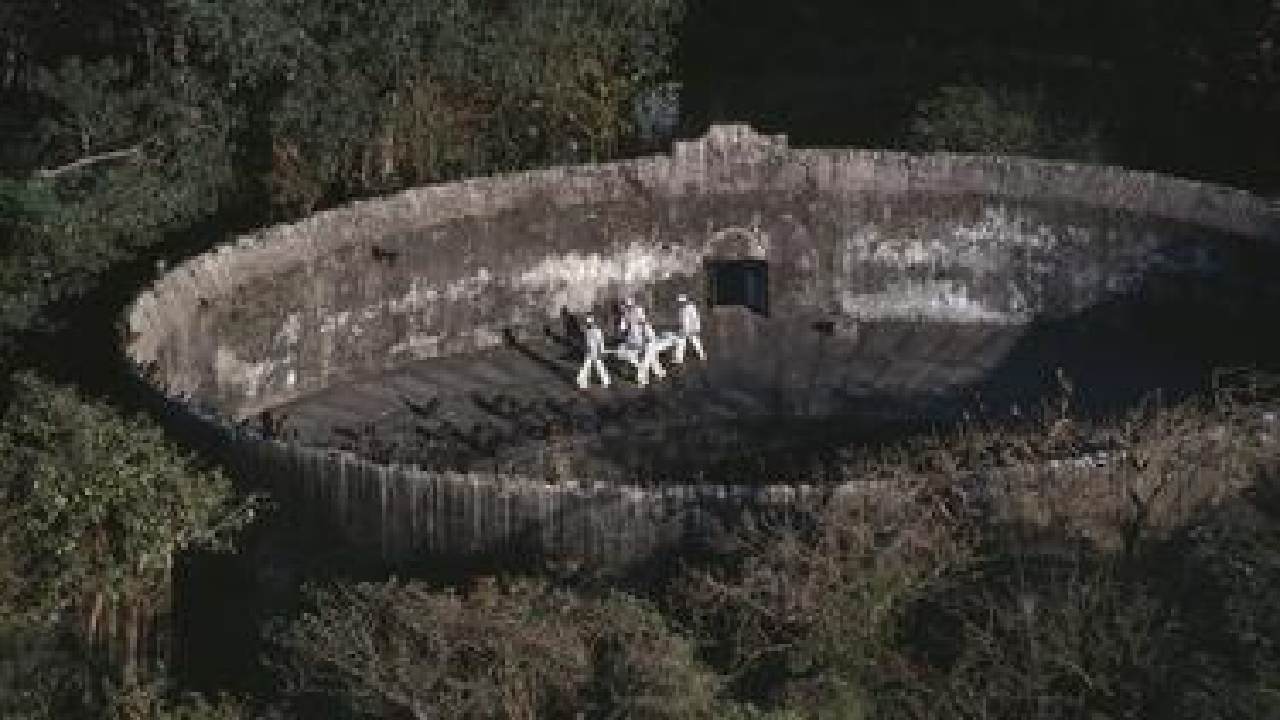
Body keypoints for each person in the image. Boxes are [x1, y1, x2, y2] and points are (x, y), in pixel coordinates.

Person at [576, 315, 610, 389]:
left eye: (589, 324)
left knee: (599, 366)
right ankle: (581, 381)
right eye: (587, 324)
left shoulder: (597, 331)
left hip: (596, 351)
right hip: (590, 351)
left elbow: (600, 342)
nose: (588, 325)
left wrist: (601, 351)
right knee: (587, 366)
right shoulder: (588, 331)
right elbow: (587, 340)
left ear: (592, 323)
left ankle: (606, 381)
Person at [672, 293, 706, 364]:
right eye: (679, 302)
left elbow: (696, 319)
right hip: (684, 329)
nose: (680, 303)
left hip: (691, 329)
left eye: (681, 302)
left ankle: (702, 355)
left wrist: (696, 329)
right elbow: (681, 320)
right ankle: (679, 358)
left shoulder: (691, 307)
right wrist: (679, 327)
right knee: (680, 343)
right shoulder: (681, 309)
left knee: (696, 342)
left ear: (685, 301)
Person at [635, 318, 668, 387]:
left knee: (647, 363)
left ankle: (645, 380)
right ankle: (644, 380)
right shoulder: (637, 329)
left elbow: (651, 339)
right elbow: (638, 341)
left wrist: (644, 349)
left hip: (649, 349)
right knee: (648, 363)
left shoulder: (647, 328)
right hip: (647, 349)